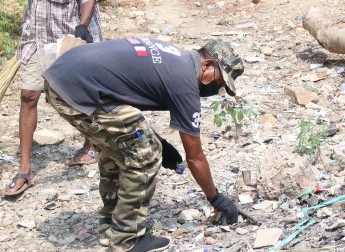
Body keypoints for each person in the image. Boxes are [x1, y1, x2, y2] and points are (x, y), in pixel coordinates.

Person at [42, 37, 245, 252]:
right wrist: (216, 198)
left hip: (66, 76)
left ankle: (112, 226)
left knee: (124, 147)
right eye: (219, 83)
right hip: (76, 88)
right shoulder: (185, 83)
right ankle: (127, 240)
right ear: (208, 65)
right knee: (145, 156)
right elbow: (194, 156)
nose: (216, 90)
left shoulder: (177, 58)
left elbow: (123, 88)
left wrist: (159, 141)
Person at [4, 0, 109, 197]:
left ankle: (91, 145)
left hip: (68, 36)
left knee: (75, 98)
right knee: (28, 96)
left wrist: (82, 26)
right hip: (36, 35)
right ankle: (24, 170)